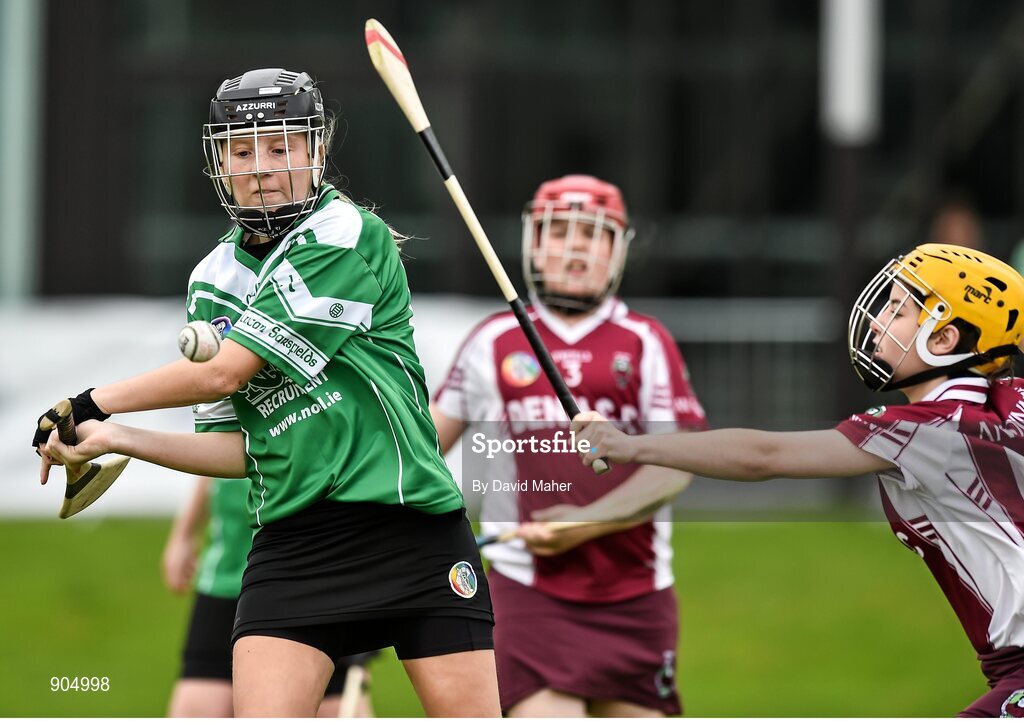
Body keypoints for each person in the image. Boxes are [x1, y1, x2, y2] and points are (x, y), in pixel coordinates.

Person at [34, 68, 498, 717]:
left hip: (409, 529)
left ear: (315, 151)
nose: (261, 167)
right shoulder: (211, 279)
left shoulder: (346, 233)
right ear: (218, 161)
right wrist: (118, 438)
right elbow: (240, 448)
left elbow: (224, 371)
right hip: (293, 543)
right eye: (242, 149)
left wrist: (92, 401)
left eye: (281, 146)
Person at [572, 242, 1024, 718]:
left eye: (898, 309)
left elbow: (765, 456)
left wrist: (630, 445)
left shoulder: (925, 429)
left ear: (945, 338)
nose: (877, 320)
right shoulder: (1010, 399)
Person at [430, 175, 707, 716]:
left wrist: (591, 520)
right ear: (534, 242)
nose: (575, 246)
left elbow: (676, 466)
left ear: (618, 248)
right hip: (526, 590)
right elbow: (421, 452)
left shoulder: (646, 342)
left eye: (592, 233)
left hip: (635, 594)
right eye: (559, 231)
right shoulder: (493, 340)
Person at [162, 476, 376, 717]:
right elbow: (218, 441)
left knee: (332, 708)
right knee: (197, 706)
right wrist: (185, 532)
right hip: (228, 575)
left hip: (314, 578)